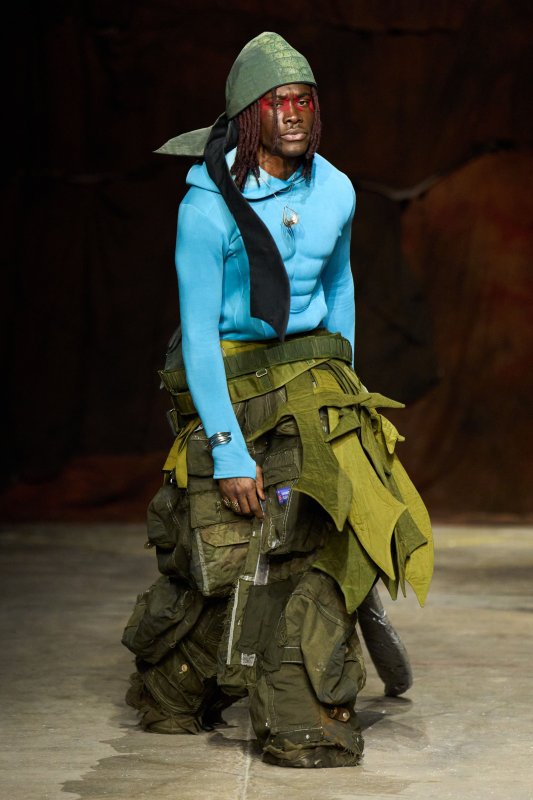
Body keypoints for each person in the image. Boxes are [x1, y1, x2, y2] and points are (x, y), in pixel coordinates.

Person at [122, 31, 433, 769]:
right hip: (232, 378)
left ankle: (304, 690)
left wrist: (347, 396)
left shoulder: (337, 190)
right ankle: (183, 677)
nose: (293, 113)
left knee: (341, 518)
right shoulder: (206, 210)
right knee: (227, 545)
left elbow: (338, 287)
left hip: (310, 372)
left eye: (303, 100)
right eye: (276, 102)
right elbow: (199, 336)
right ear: (248, 114)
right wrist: (228, 450)